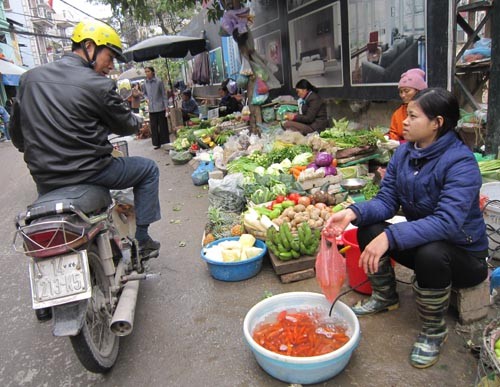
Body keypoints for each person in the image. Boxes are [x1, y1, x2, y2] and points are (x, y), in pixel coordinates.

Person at [323, 88, 488, 369]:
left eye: (412, 116)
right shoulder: (404, 154)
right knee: (369, 227)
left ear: (437, 122)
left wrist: (392, 236)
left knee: (431, 252)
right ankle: (385, 297)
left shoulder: (461, 163)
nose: (405, 121)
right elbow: (387, 201)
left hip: (464, 256)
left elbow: (447, 222)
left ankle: (434, 331)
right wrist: (352, 212)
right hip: (425, 243)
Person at [9, 20, 161, 258]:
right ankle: (142, 239)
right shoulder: (97, 84)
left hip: (45, 180)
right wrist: (136, 121)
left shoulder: (29, 79)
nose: (111, 66)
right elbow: (125, 124)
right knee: (149, 169)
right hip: (94, 172)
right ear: (89, 46)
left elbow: (17, 136)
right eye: (109, 57)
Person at [389, 68, 428, 141]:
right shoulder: (398, 113)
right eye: (401, 92)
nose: (403, 95)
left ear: (418, 91)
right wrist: (388, 139)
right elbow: (394, 133)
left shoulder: (428, 111)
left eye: (406, 91)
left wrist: (401, 144)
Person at [143, 66, 170, 149]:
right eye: (146, 72)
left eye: (148, 71)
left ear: (153, 72)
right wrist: (146, 99)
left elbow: (163, 95)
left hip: (160, 107)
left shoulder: (159, 82)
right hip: (151, 109)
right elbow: (144, 94)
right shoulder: (145, 83)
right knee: (154, 127)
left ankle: (165, 142)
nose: (147, 73)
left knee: (163, 126)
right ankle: (156, 143)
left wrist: (166, 107)